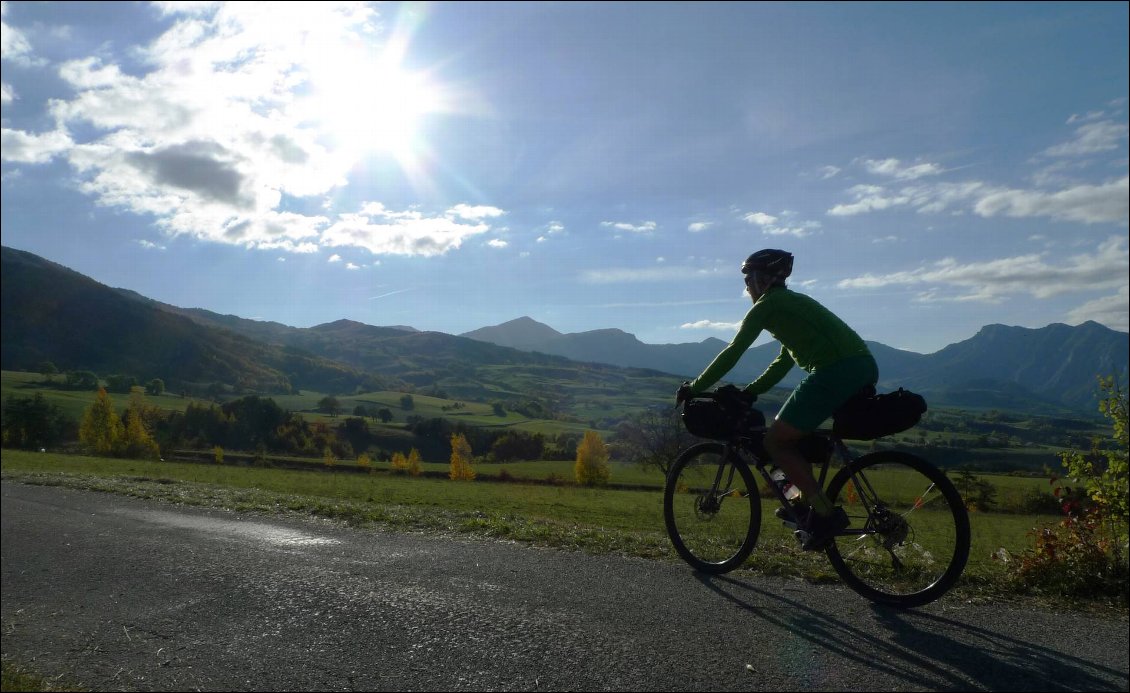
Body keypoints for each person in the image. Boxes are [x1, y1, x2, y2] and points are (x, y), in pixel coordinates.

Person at [677, 249, 878, 550]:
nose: (746, 288)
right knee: (791, 437)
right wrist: (752, 391)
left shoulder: (768, 305)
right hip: (862, 366)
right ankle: (805, 504)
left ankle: (824, 513)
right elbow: (784, 361)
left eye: (747, 280)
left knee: (775, 442)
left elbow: (734, 350)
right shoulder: (793, 304)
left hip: (834, 371)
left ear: (760, 280)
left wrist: (694, 387)